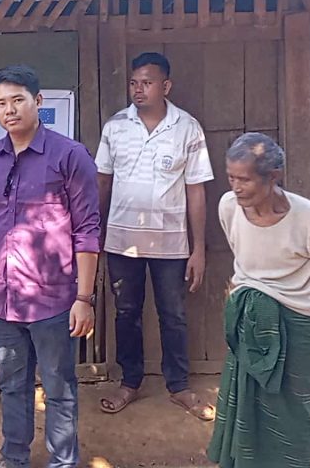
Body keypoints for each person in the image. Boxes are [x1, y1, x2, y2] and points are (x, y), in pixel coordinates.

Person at [0, 65, 101, 468]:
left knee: (59, 389)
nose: (9, 110)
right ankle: (14, 458)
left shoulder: (69, 156)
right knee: (12, 385)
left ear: (38, 101)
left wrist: (84, 298)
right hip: (1, 300)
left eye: (18, 100)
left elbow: (88, 230)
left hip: (55, 301)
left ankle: (63, 462)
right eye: (1, 103)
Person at [208, 133, 310, 468]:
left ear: (273, 177)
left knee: (294, 407)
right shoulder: (228, 207)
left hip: (298, 321)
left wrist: (292, 303)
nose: (236, 188)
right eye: (231, 178)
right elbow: (242, 255)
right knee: (245, 402)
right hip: (250, 318)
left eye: (245, 179)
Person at [95, 52, 216, 420]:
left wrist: (198, 249)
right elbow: (103, 183)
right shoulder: (116, 127)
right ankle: (129, 382)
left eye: (147, 83)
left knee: (173, 314)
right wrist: (94, 235)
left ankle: (178, 386)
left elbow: (196, 190)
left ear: (166, 86)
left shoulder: (187, 128)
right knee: (126, 312)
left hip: (171, 243)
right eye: (134, 83)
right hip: (121, 242)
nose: (138, 89)